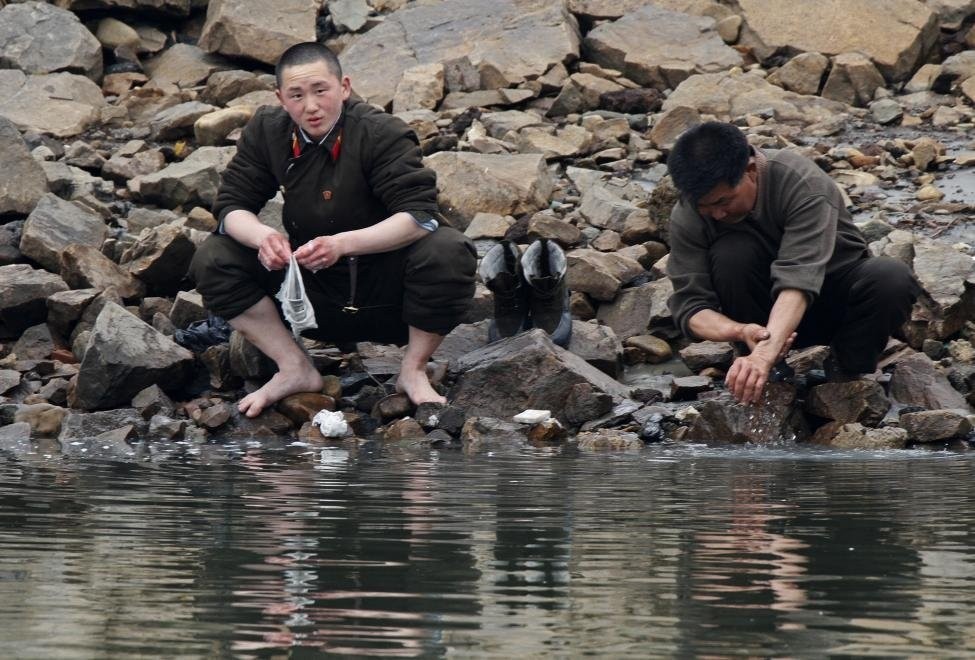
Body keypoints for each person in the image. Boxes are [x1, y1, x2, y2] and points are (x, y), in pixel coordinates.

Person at [189, 42, 476, 417]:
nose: (310, 106)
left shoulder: (381, 133)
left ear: (344, 87)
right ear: (280, 98)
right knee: (214, 257)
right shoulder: (268, 132)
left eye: (320, 90)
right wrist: (264, 238)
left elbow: (419, 216)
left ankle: (413, 368)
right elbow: (230, 208)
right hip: (309, 299)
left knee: (448, 250)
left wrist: (343, 244)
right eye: (296, 95)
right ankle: (294, 367)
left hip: (390, 298)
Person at [666, 121, 920, 405]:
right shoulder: (688, 213)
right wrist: (743, 332)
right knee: (732, 255)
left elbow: (798, 281)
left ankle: (847, 373)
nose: (716, 214)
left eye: (724, 201)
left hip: (831, 302)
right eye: (705, 207)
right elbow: (691, 307)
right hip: (759, 320)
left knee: (891, 277)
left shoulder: (801, 181)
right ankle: (768, 374)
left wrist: (765, 352)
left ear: (750, 171)